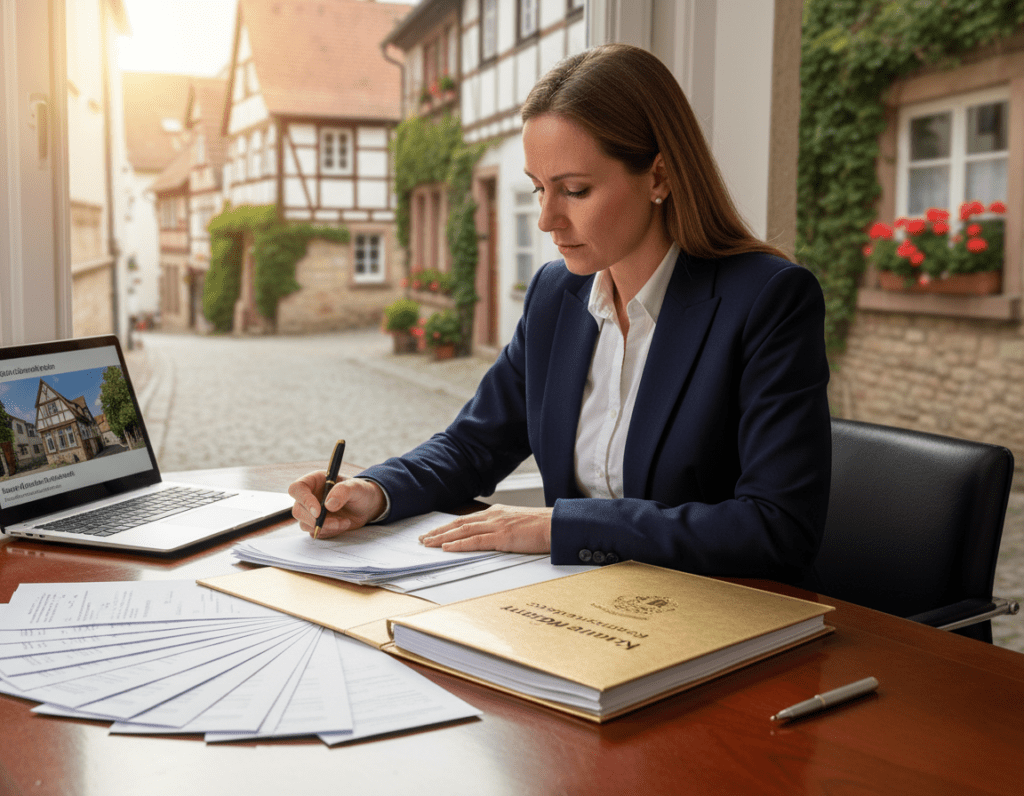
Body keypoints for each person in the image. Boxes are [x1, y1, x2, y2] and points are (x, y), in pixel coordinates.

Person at [289, 43, 831, 582]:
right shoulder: (557, 294)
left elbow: (778, 529)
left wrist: (558, 528)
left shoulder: (767, 300)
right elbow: (473, 443)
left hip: (717, 614)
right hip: (573, 605)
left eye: (574, 190)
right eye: (538, 189)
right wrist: (375, 492)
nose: (547, 219)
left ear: (659, 177)